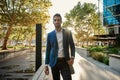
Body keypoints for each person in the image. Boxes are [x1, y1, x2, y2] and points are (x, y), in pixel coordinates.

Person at [44, 13, 75, 80]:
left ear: (61, 21)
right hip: (54, 62)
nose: (57, 21)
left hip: (65, 61)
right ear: (53, 22)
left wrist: (72, 57)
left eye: (58, 20)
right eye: (55, 20)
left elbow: (72, 45)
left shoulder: (67, 32)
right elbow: (48, 50)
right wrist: (46, 65)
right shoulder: (50, 35)